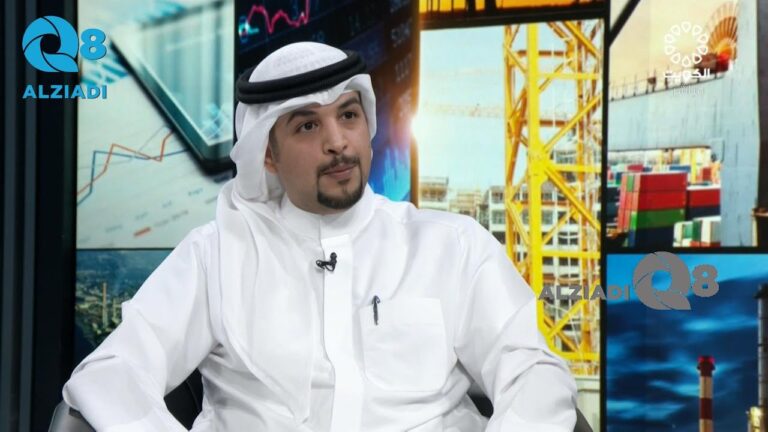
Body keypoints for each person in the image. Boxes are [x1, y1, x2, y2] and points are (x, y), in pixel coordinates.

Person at [63, 42, 578, 431]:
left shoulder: (452, 246)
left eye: (348, 116)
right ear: (268, 154)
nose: (337, 142)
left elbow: (533, 373)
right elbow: (110, 373)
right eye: (307, 126)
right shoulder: (216, 253)